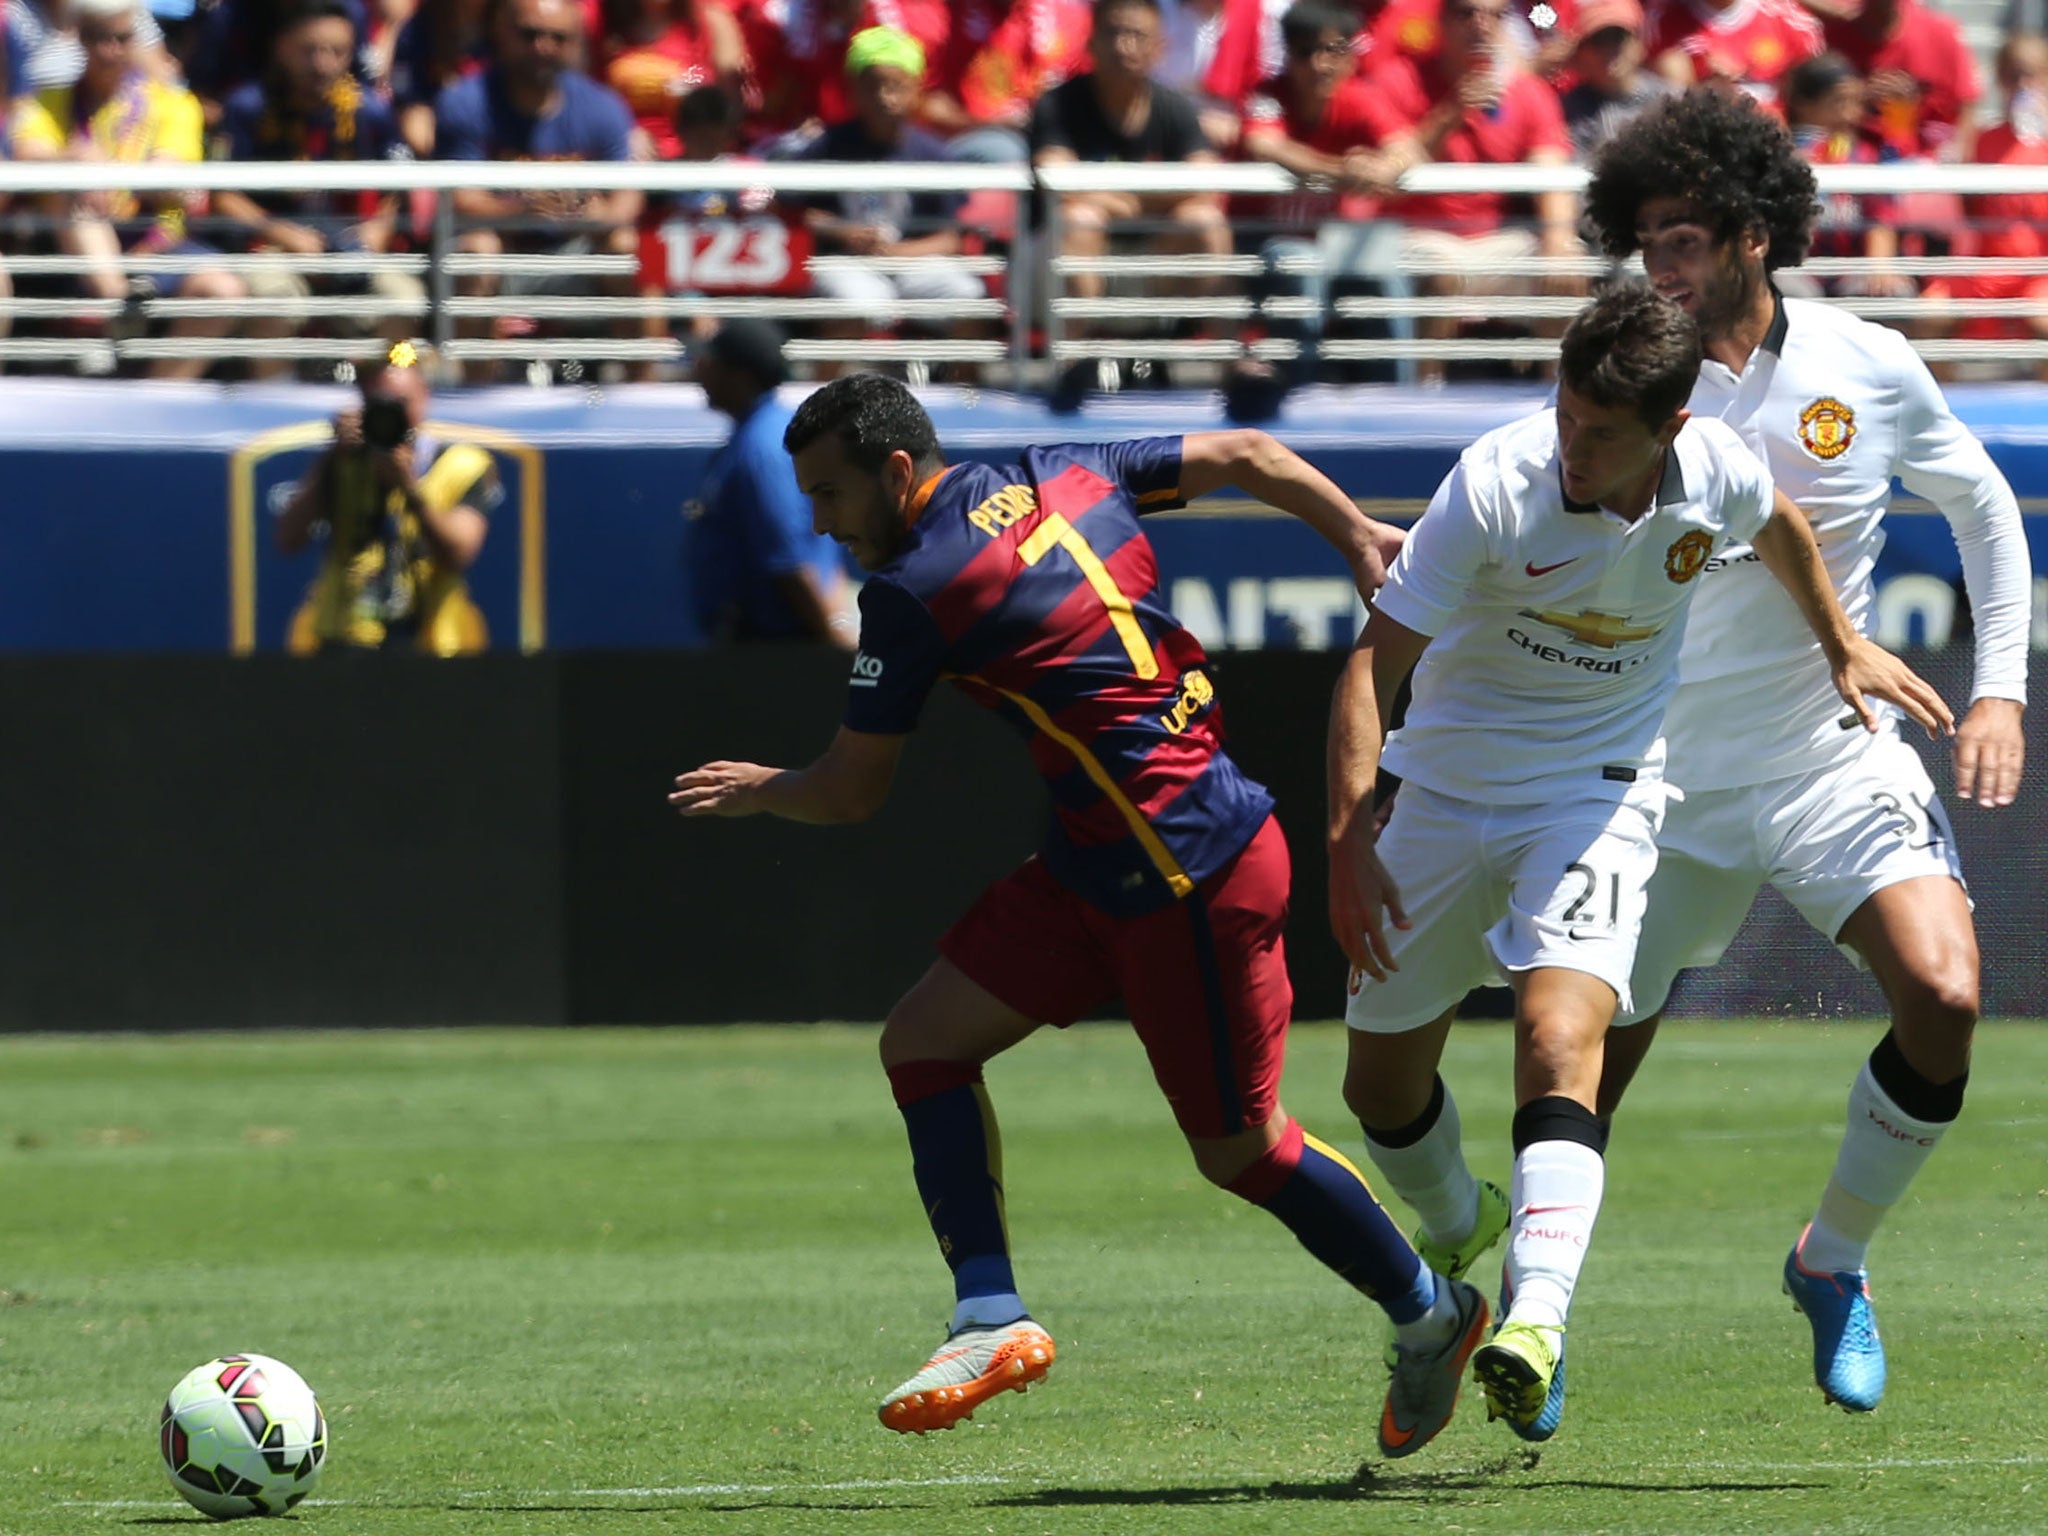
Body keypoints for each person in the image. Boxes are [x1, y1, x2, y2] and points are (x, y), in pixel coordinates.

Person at [672, 373, 1494, 1460]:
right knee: (922, 1043)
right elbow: (1249, 451)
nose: (820, 522)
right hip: (1104, 860)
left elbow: (849, 790)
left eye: (830, 495)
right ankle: (987, 1316)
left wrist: (761, 787)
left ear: (899, 473)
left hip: (1184, 874)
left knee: (1242, 1150)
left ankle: (1434, 1314)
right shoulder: (1057, 469)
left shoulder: (915, 589)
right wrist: (1352, 535)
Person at [1331, 281, 1950, 1442]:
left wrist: (1840, 643)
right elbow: (1370, 669)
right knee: (1379, 1089)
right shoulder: (1496, 482)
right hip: (1445, 792)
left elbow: (1776, 522)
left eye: (1600, 433)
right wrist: (1345, 840)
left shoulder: (1710, 466)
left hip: (1595, 796)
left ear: (1667, 430)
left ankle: (1536, 1322)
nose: (1573, 447)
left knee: (1554, 1041)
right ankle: (1461, 1238)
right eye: (1566, 417)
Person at [1563, 88, 2030, 1413]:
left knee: (1942, 998)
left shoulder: (1867, 362)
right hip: (1654, 780)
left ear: (1759, 232)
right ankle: (1533, 1318)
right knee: (1583, 1061)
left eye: (1688, 237)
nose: (1662, 264)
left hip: (1832, 755)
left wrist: (1998, 691)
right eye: (1646, 239)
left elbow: (1985, 507)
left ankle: (1834, 1261)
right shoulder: (1616, 376)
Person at [5, 0, 247, 380]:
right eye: (100, 38)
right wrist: (72, 160)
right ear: (80, 41)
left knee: (223, 290)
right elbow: (26, 151)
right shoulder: (49, 100)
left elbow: (172, 177)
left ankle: (160, 395)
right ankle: (120, 303)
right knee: (73, 198)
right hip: (70, 247)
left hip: (156, 241)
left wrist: (104, 171)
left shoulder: (174, 102)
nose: (112, 50)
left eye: (122, 38)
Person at [1352, 0, 1584, 384]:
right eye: (1466, 13)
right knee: (1439, 272)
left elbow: (1551, 169)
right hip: (1415, 236)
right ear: (1441, 20)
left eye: (1494, 15)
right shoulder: (1398, 79)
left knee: (1569, 264)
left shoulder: (1525, 90)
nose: (1481, 25)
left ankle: (1557, 397)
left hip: (1493, 243)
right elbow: (1385, 175)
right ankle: (1423, 399)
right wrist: (1450, 113)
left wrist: (1558, 238)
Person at [210, 0, 425, 379]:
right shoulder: (248, 107)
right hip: (271, 248)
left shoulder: (370, 110)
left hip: (351, 248)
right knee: (275, 301)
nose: (322, 63)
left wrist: (378, 230)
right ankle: (273, 394)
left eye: (336, 51)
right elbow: (222, 195)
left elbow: (399, 182)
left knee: (407, 301)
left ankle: (391, 382)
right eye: (310, 50)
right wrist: (281, 233)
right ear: (282, 48)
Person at [434, 0, 644, 383]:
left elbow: (627, 203)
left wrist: (586, 213)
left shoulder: (603, 106)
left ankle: (644, 393)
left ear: (576, 42)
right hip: (504, 252)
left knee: (627, 245)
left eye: (558, 38)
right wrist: (525, 207)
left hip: (575, 252)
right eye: (530, 34)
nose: (543, 47)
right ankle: (477, 392)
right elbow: (457, 200)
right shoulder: (465, 101)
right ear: (502, 32)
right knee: (476, 250)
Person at [1030, 0, 1232, 390]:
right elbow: (1057, 180)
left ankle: (1232, 361)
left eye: (1137, 35)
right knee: (1079, 218)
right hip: (1058, 267)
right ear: (1090, 43)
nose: (1124, 46)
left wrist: (1113, 198)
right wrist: (1158, 194)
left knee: (1205, 221)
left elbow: (1208, 183)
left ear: (1159, 47)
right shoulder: (1057, 104)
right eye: (1113, 33)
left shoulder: (1175, 108)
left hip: (1153, 262)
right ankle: (1073, 361)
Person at [277, 341, 496, 654]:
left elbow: (458, 554)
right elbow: (288, 538)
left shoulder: (461, 463)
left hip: (429, 644)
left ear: (424, 398)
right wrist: (330, 461)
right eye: (379, 403)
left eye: (401, 403)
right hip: (346, 641)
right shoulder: (344, 461)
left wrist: (409, 487)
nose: (390, 414)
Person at [795, 27, 987, 367]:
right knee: (852, 303)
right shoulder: (829, 145)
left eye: (896, 86)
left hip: (914, 262)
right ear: (854, 90)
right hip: (849, 261)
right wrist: (844, 231)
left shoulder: (933, 154)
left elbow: (952, 238)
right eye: (873, 86)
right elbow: (800, 211)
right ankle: (824, 394)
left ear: (915, 89)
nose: (885, 97)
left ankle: (968, 395)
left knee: (968, 298)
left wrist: (899, 252)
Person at [686, 319, 854, 645]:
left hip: (778, 648)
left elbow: (788, 562)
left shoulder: (763, 448)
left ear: (741, 376)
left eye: (712, 363)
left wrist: (835, 644)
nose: (700, 371)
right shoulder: (765, 431)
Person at [1919, 33, 2048, 379]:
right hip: (1986, 268)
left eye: (2031, 75)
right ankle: (1946, 412)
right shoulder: (1980, 140)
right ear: (2000, 79)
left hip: (2040, 272)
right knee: (1930, 312)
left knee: (2044, 318)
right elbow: (1965, 207)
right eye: (2013, 75)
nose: (2022, 84)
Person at [1818, 0, 1978, 161]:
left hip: (1925, 165)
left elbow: (1967, 102)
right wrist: (1859, 98)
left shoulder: (1941, 32)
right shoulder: (1831, 33)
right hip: (1847, 157)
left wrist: (1957, 163)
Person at [1557, 0, 1674, 155]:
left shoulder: (1671, 101)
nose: (1609, 50)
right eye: (1599, 41)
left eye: (1618, 38)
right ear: (1582, 51)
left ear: (1639, 44)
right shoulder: (1569, 109)